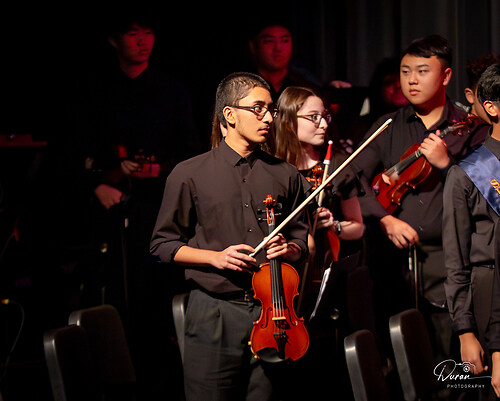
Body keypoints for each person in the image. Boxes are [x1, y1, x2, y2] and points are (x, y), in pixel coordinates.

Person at [64, 7, 200, 399]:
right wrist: (97, 182)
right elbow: (70, 154)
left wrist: (160, 169)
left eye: (148, 32)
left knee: (159, 293)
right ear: (113, 40)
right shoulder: (95, 91)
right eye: (132, 33)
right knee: (115, 294)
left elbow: (190, 151)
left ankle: (165, 378)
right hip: (111, 213)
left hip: (160, 208)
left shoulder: (171, 90)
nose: (142, 41)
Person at [150, 72, 310, 401]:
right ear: (230, 114)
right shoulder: (189, 173)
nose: (269, 117)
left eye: (271, 109)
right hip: (214, 313)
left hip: (274, 313)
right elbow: (162, 245)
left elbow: (301, 240)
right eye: (258, 108)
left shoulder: (286, 174)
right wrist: (215, 257)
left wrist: (289, 248)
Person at [351, 35, 485, 367]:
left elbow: (486, 195)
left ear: (446, 75)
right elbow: (353, 178)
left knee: (446, 358)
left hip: (449, 262)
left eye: (422, 71)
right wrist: (385, 219)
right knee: (399, 360)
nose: (411, 80)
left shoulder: (471, 129)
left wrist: (447, 165)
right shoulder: (387, 126)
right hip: (394, 263)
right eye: (405, 71)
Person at [274, 85, 367, 398]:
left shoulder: (337, 165)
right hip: (284, 282)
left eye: (324, 116)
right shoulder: (272, 167)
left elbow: (358, 227)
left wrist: (335, 225)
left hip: (327, 286)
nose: (323, 123)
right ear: (288, 121)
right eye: (313, 117)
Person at [445, 62, 500, 400]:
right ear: (491, 108)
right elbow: (456, 261)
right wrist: (465, 331)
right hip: (487, 295)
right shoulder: (467, 173)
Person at [246, 17, 350, 104]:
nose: (278, 48)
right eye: (269, 41)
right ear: (253, 46)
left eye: (285, 40)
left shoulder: (305, 84)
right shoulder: (244, 85)